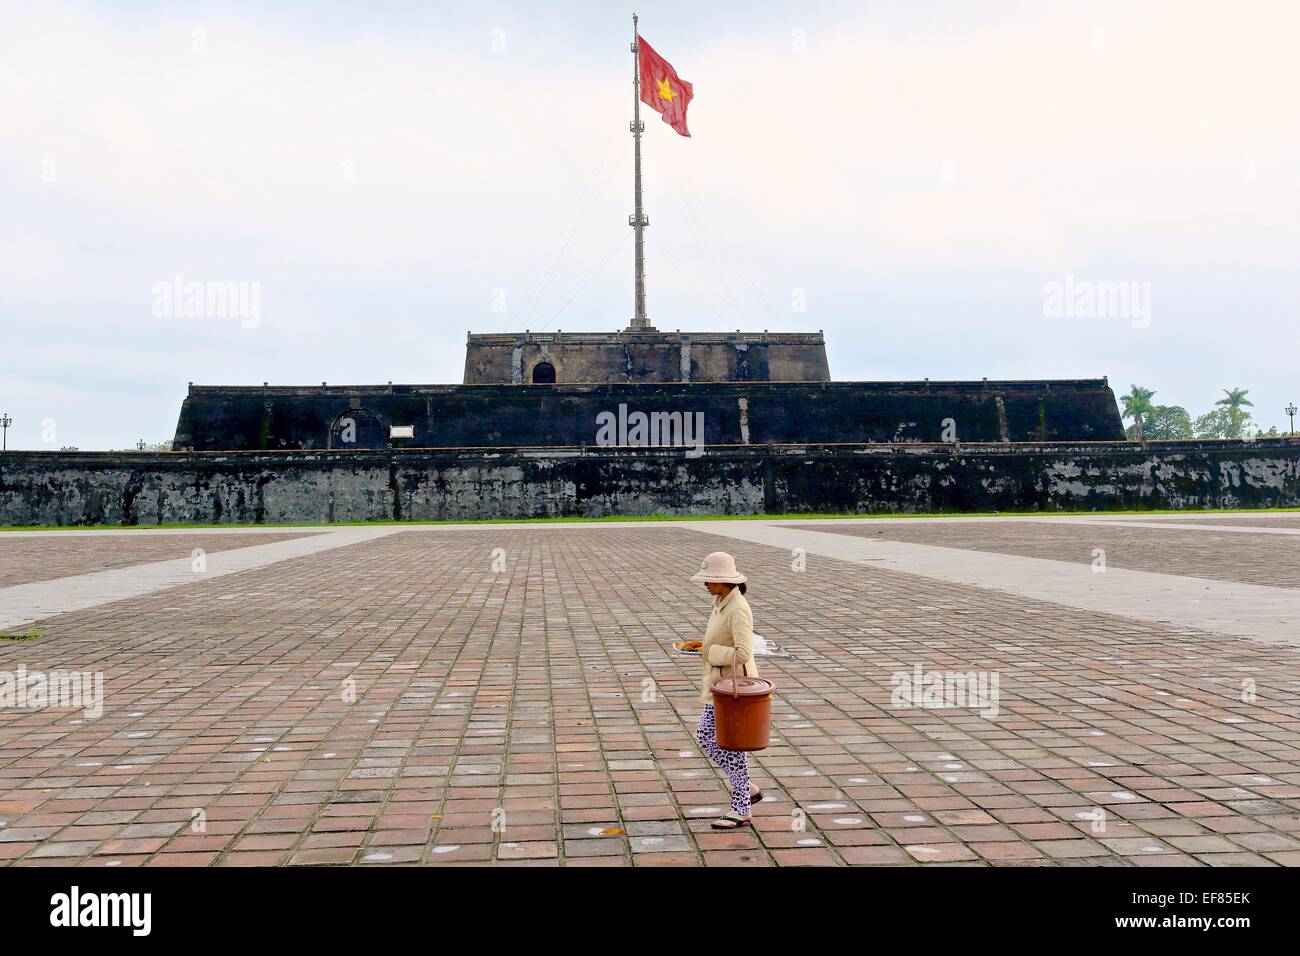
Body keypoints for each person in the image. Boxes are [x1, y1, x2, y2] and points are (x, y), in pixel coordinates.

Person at [689, 551, 762, 829]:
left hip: (734, 689)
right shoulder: (722, 601)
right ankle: (746, 791)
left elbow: (743, 652)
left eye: (709, 580)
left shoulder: (738, 608)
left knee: (723, 741)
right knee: (717, 740)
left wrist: (710, 651)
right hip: (720, 685)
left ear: (724, 581)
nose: (705, 584)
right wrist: (704, 645)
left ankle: (741, 805)